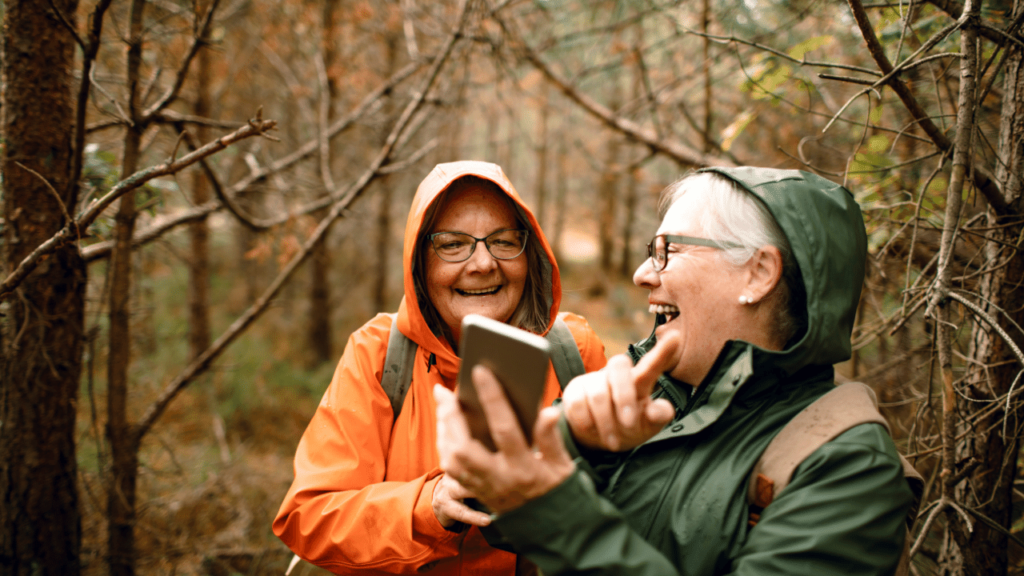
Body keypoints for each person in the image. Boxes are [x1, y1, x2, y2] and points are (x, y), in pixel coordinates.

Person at [434, 167, 915, 575]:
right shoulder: (653, 389)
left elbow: (544, 517)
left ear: (759, 273)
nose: (643, 273)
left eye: (669, 250)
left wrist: (551, 509)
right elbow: (485, 508)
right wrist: (573, 438)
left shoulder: (848, 465)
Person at [273, 160, 607, 575]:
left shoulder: (574, 351)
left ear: (530, 252)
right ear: (419, 264)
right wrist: (430, 507)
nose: (483, 263)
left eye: (504, 241)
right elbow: (310, 515)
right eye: (452, 244)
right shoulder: (378, 357)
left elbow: (629, 501)